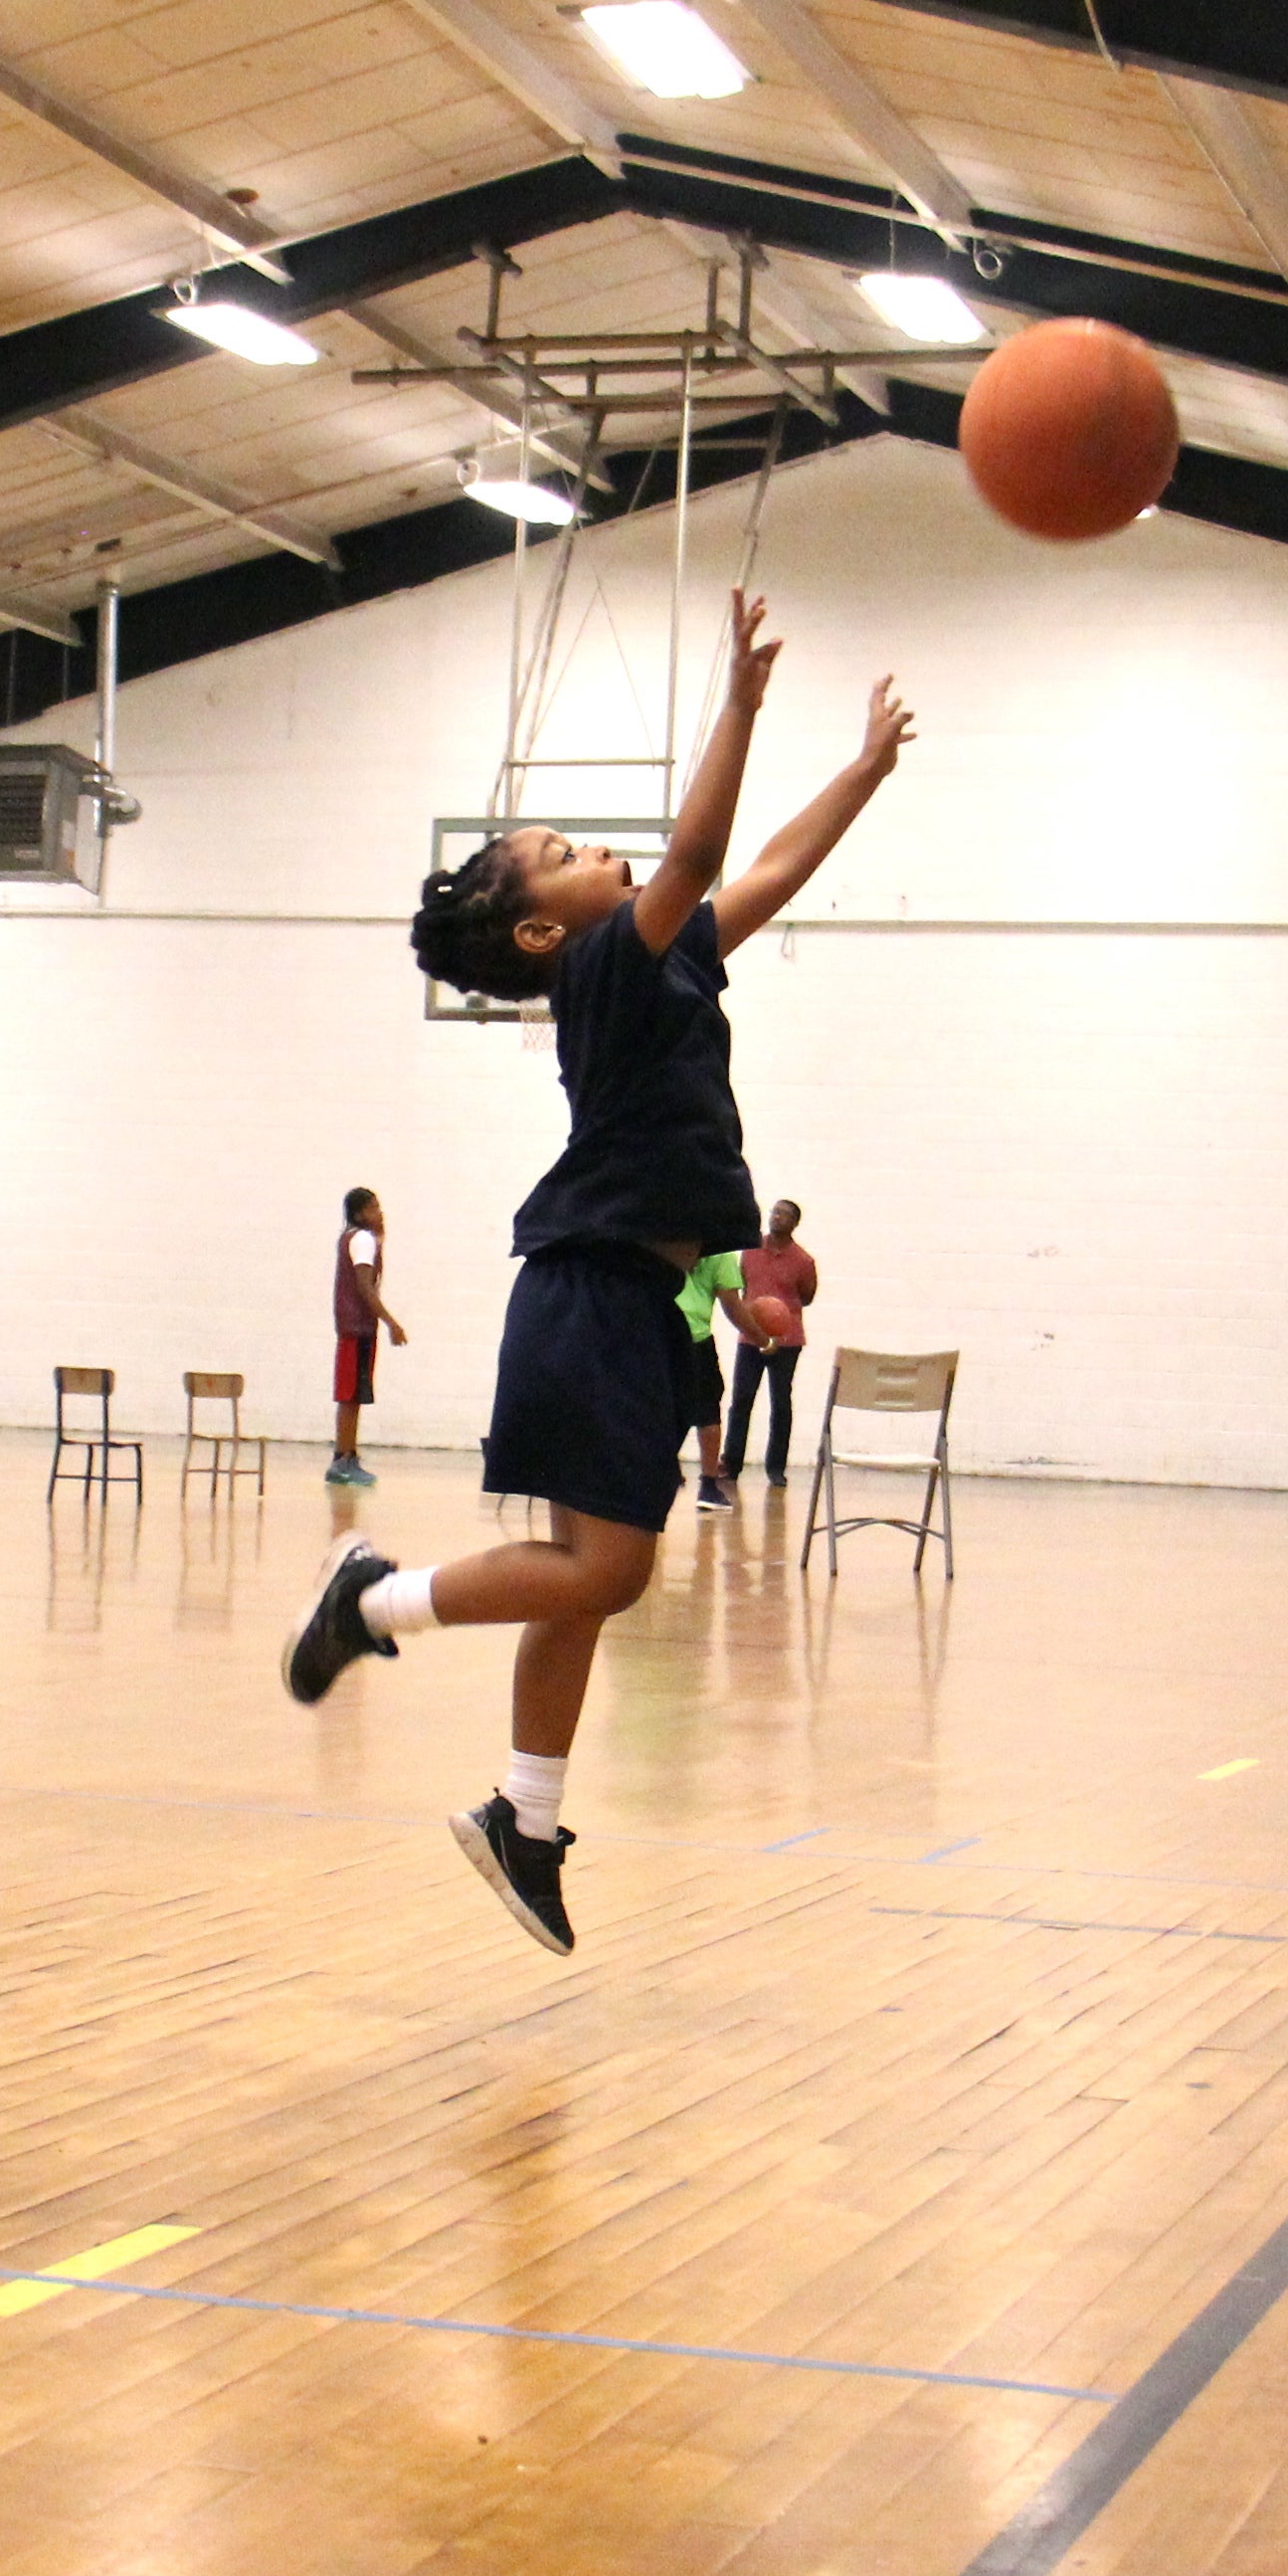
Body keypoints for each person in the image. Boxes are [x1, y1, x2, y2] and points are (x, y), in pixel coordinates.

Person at [284, 592, 911, 1953]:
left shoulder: (659, 961)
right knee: (603, 1575)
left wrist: (859, 770)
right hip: (589, 1290)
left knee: (586, 1573)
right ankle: (372, 1599)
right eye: (566, 850)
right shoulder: (602, 975)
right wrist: (739, 701)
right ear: (537, 936)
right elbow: (700, 845)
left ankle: (528, 1817)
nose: (603, 851)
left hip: (634, 1294)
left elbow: (765, 870)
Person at [725, 1198, 816, 1486]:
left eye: (785, 1214)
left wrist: (780, 1317)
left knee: (780, 1403)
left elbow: (807, 1297)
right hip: (751, 1338)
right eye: (775, 1211)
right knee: (741, 1401)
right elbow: (742, 1288)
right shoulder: (750, 1251)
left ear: (795, 1223)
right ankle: (731, 1463)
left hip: (787, 1341)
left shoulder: (803, 1261)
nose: (777, 1217)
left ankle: (776, 1468)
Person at [327, 1183, 404, 1486]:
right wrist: (391, 1322)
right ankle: (343, 1459)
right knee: (350, 1397)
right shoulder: (361, 1240)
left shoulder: (360, 1239)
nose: (379, 1212)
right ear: (359, 1213)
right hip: (357, 1328)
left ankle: (347, 1455)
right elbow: (364, 1286)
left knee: (354, 1396)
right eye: (373, 1207)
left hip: (355, 1328)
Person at [680, 1246, 744, 1511]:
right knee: (707, 1415)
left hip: (656, 1333)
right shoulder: (722, 1252)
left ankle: (650, 1476)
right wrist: (763, 1338)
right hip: (695, 1339)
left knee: (654, 1409)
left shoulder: (659, 1237)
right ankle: (708, 1487)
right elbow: (732, 1306)